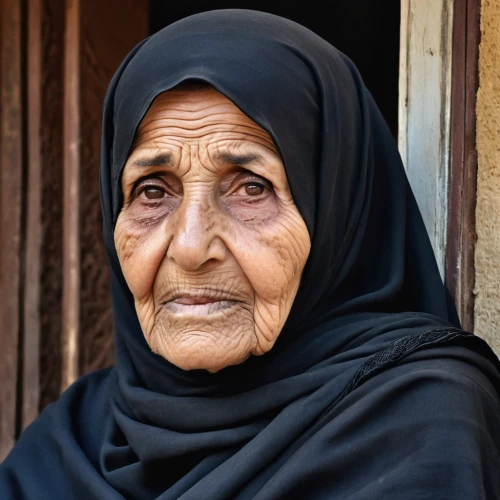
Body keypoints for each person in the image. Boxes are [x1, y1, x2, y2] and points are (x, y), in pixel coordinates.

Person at [1, 9, 499, 499]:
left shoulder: (414, 424)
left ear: (337, 212)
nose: (192, 247)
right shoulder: (70, 442)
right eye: (153, 191)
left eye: (251, 188)